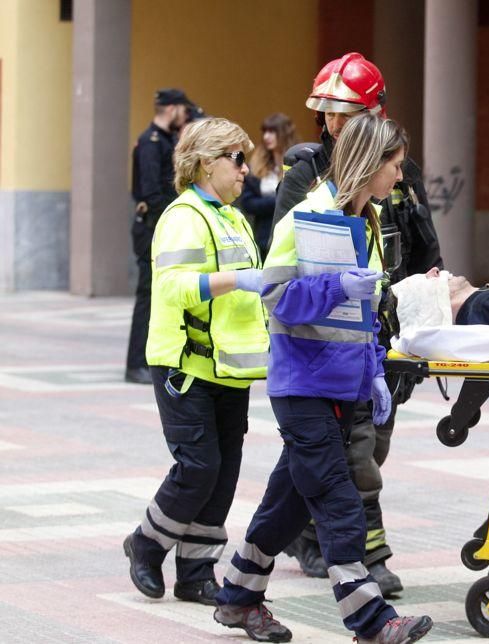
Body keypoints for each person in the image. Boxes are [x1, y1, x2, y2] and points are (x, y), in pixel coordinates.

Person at [213, 114, 433, 644]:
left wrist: (375, 372)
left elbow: (365, 315)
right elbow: (276, 298)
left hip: (343, 385)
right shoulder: (306, 218)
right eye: (395, 167)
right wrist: (338, 290)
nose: (400, 179)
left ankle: (239, 599)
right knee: (339, 500)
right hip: (303, 387)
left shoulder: (370, 220)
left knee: (286, 505)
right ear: (368, 164)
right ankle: (372, 622)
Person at [273, 52, 443, 597]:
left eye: (347, 114)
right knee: (352, 449)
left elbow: (422, 251)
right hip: (324, 343)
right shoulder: (307, 175)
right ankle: (366, 555)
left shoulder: (401, 173)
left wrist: (424, 316)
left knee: (365, 443)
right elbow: (283, 270)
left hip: (381, 335)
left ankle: (301, 535)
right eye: (328, 114)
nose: (334, 125)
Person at [122, 118, 269, 608]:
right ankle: (146, 543)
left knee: (224, 471)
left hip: (229, 366)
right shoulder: (184, 216)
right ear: (207, 163)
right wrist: (237, 280)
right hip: (185, 364)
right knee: (199, 466)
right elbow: (174, 287)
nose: (246, 169)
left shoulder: (233, 216)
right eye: (237, 158)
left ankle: (197, 571)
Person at [125, 88, 193, 384]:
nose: (185, 115)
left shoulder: (166, 140)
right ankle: (136, 363)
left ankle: (151, 360)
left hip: (157, 225)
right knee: (148, 296)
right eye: (182, 109)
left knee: (158, 297)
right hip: (151, 227)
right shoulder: (152, 142)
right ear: (171, 109)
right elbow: (152, 192)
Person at [241, 113, 297, 258]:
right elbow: (248, 203)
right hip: (264, 235)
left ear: (284, 133)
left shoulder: (298, 163)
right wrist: (279, 200)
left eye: (272, 131)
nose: (266, 136)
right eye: (265, 132)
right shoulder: (255, 166)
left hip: (292, 233)